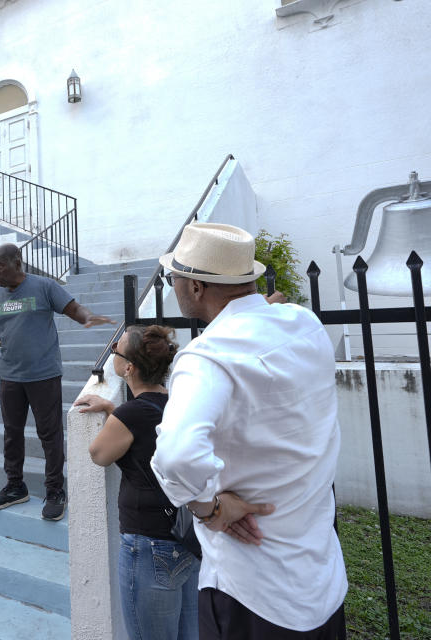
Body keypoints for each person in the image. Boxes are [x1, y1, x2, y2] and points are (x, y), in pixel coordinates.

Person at [150, 223, 347, 639]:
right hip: (321, 578)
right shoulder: (304, 325)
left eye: (175, 278)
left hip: (253, 591)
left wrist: (209, 509)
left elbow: (177, 454)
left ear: (197, 287)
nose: (174, 286)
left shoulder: (208, 355)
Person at [0, 243, 114, 521]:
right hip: (11, 377)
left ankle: (55, 491)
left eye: (0, 265)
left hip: (44, 374)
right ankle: (16, 486)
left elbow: (73, 309)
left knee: (49, 434)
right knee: (11, 434)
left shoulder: (44, 286)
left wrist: (89, 318)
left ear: (17, 262)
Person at [75, 324, 199, 640]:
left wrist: (115, 415)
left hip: (147, 547)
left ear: (128, 368)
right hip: (186, 538)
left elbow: (98, 453)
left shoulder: (131, 415)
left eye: (116, 349)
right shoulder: (175, 405)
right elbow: (150, 432)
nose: (112, 348)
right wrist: (116, 410)